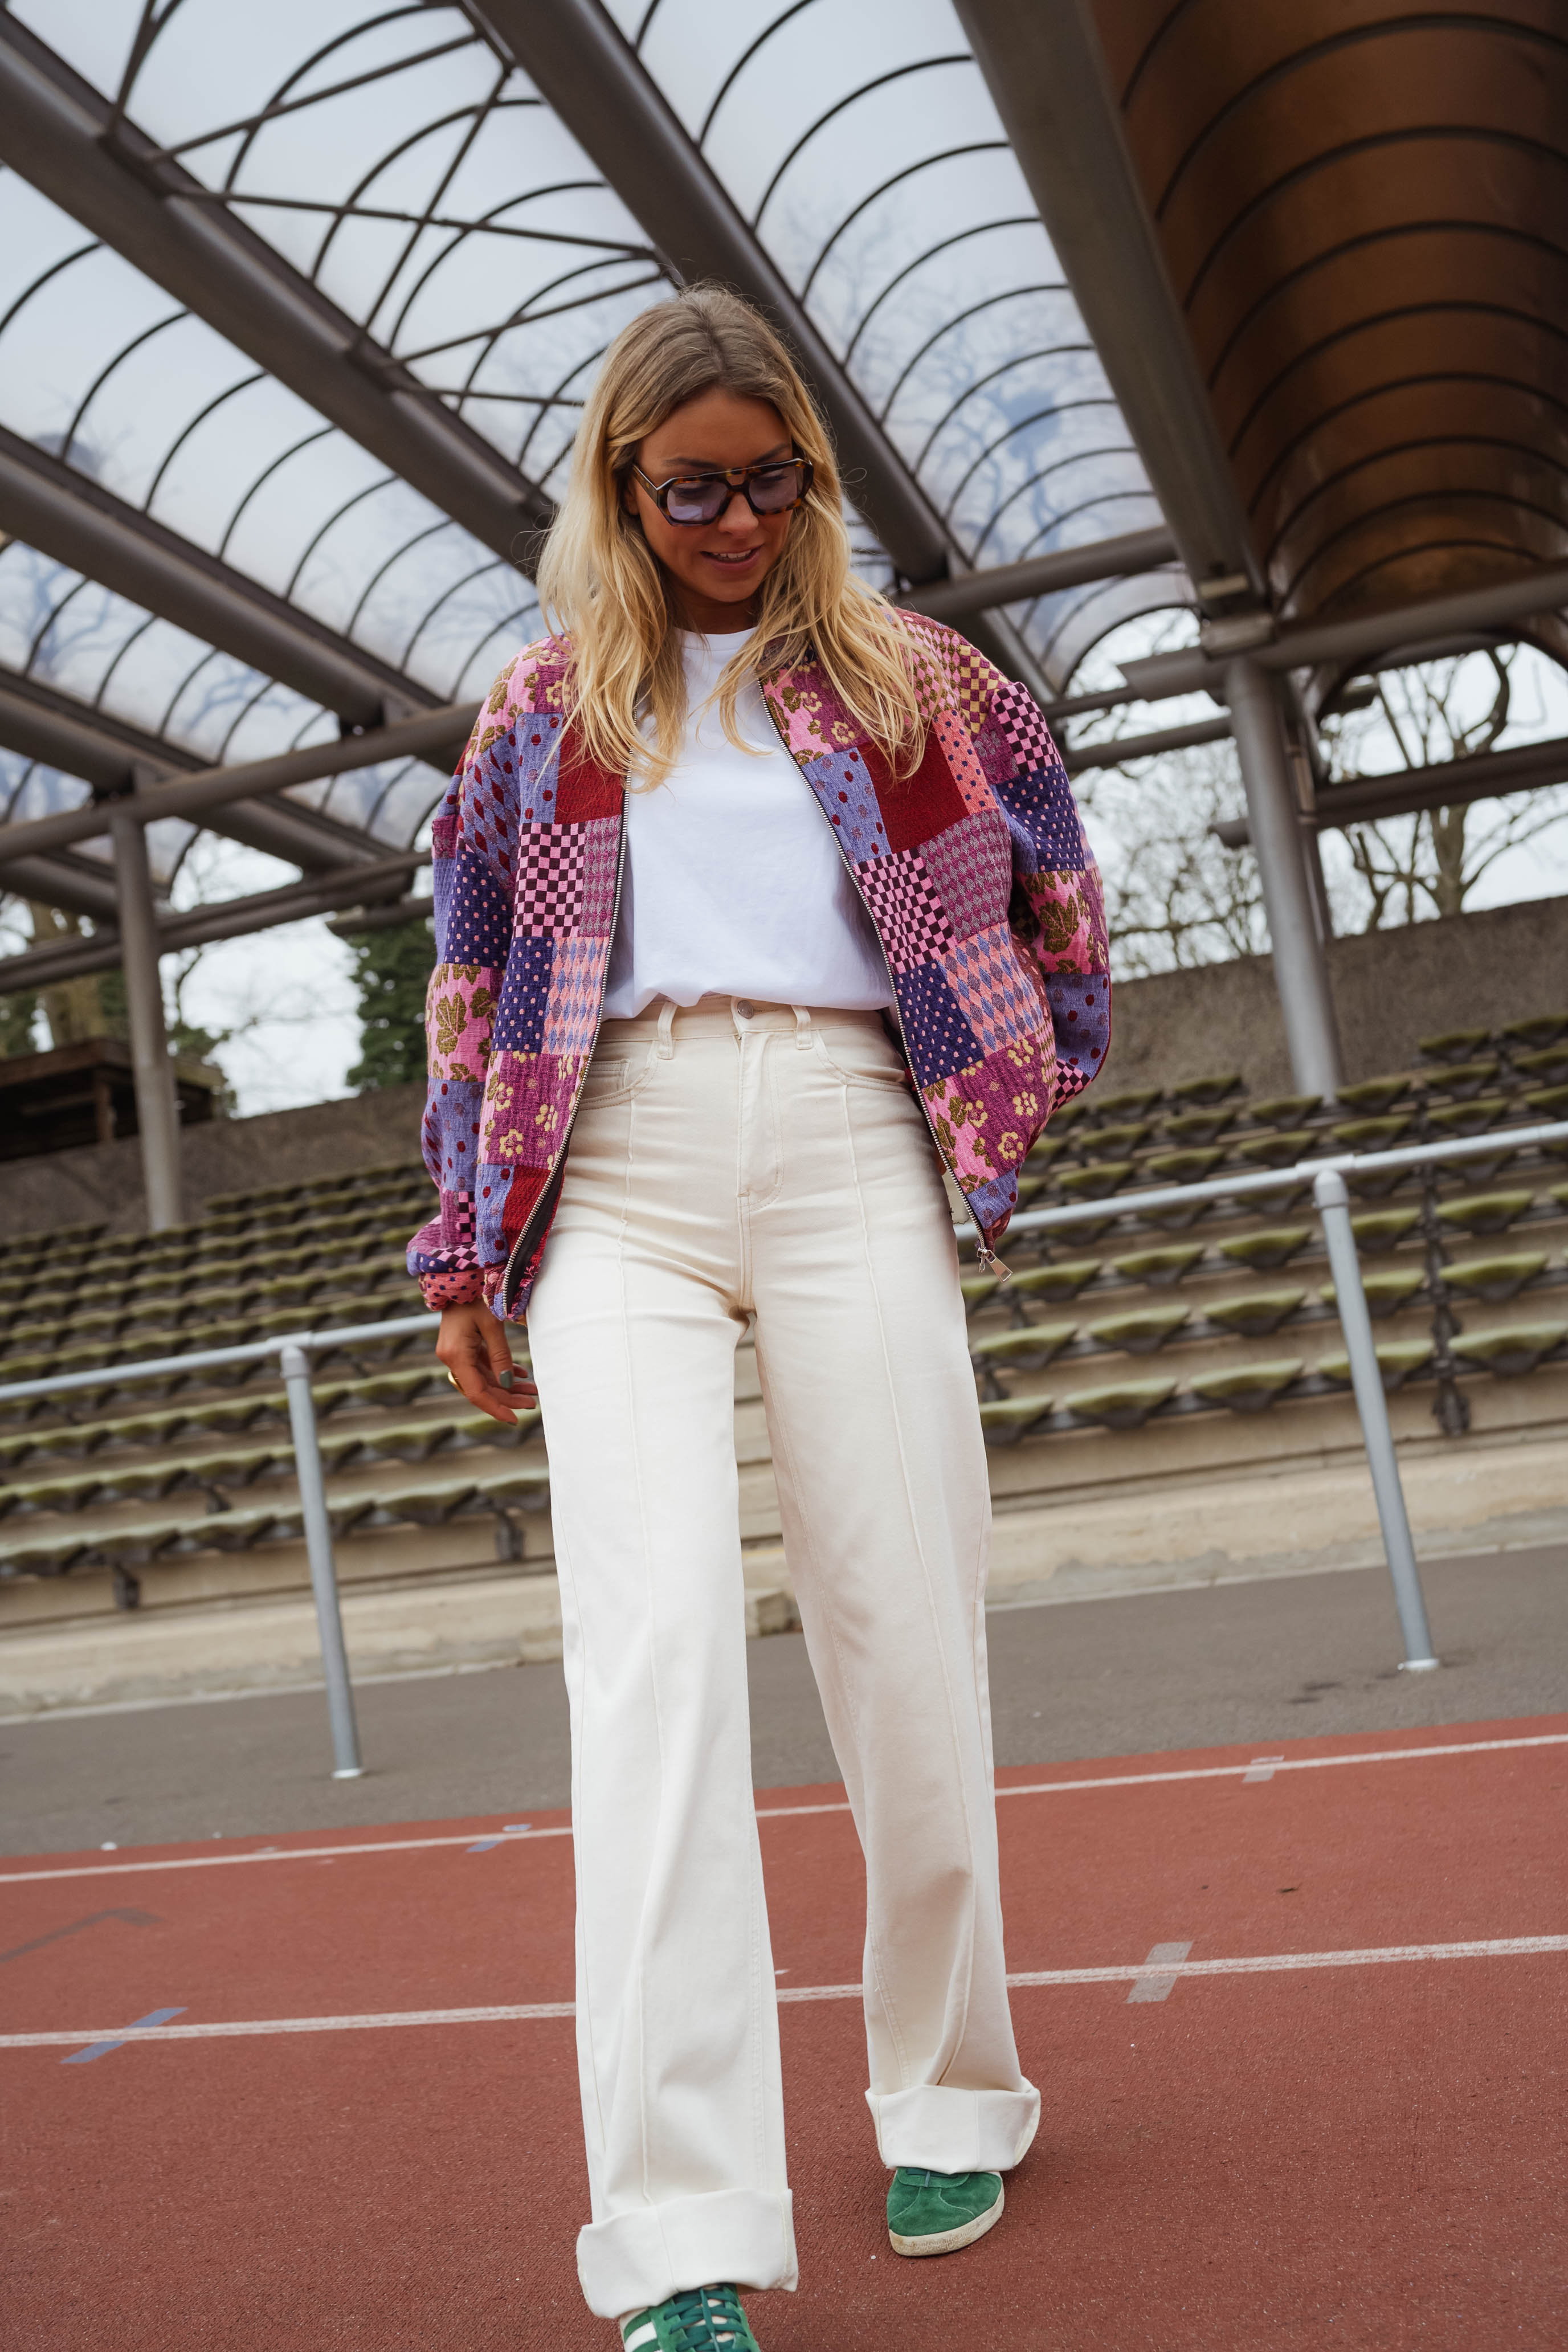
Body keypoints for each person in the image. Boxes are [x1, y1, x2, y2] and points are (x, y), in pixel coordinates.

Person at [408, 284, 1110, 2349]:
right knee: (650, 1673)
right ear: (621, 486)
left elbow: (1062, 913)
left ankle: (953, 2086)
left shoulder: (925, 683)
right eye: (687, 484)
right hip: (605, 1168)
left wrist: (1005, 1083)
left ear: (810, 475)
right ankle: (682, 2231)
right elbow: (468, 1000)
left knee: (907, 1622)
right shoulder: (540, 713)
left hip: (842, 1132)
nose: (730, 519)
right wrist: (463, 1250)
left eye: (766, 479)